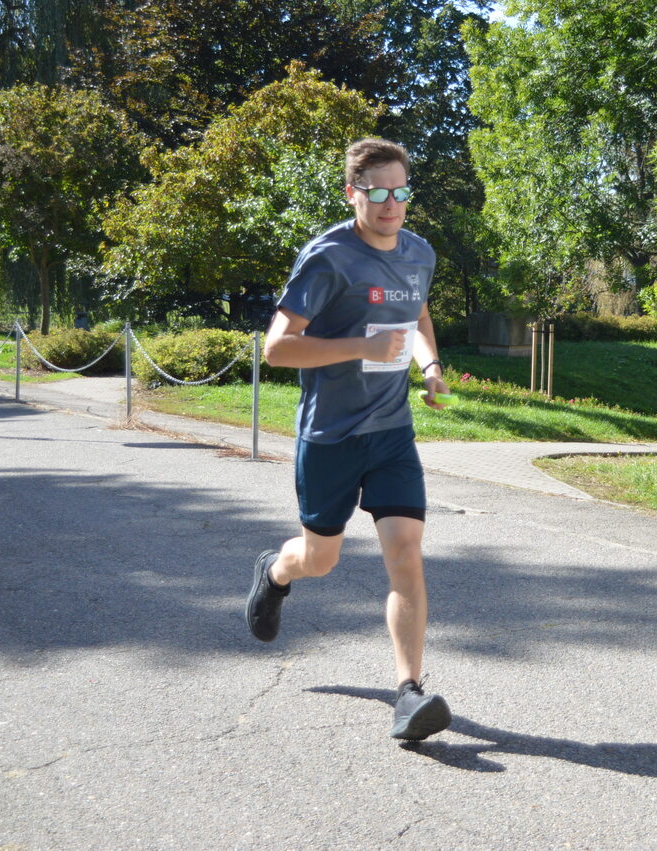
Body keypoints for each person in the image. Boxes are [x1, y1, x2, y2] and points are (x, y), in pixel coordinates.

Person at [244, 138, 453, 741]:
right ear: (351, 194)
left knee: (406, 553)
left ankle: (409, 693)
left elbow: (417, 315)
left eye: (400, 191)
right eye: (377, 191)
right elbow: (277, 349)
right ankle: (275, 572)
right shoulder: (328, 257)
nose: (391, 204)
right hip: (330, 436)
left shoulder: (418, 252)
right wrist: (362, 346)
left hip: (391, 433)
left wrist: (430, 366)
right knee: (320, 559)